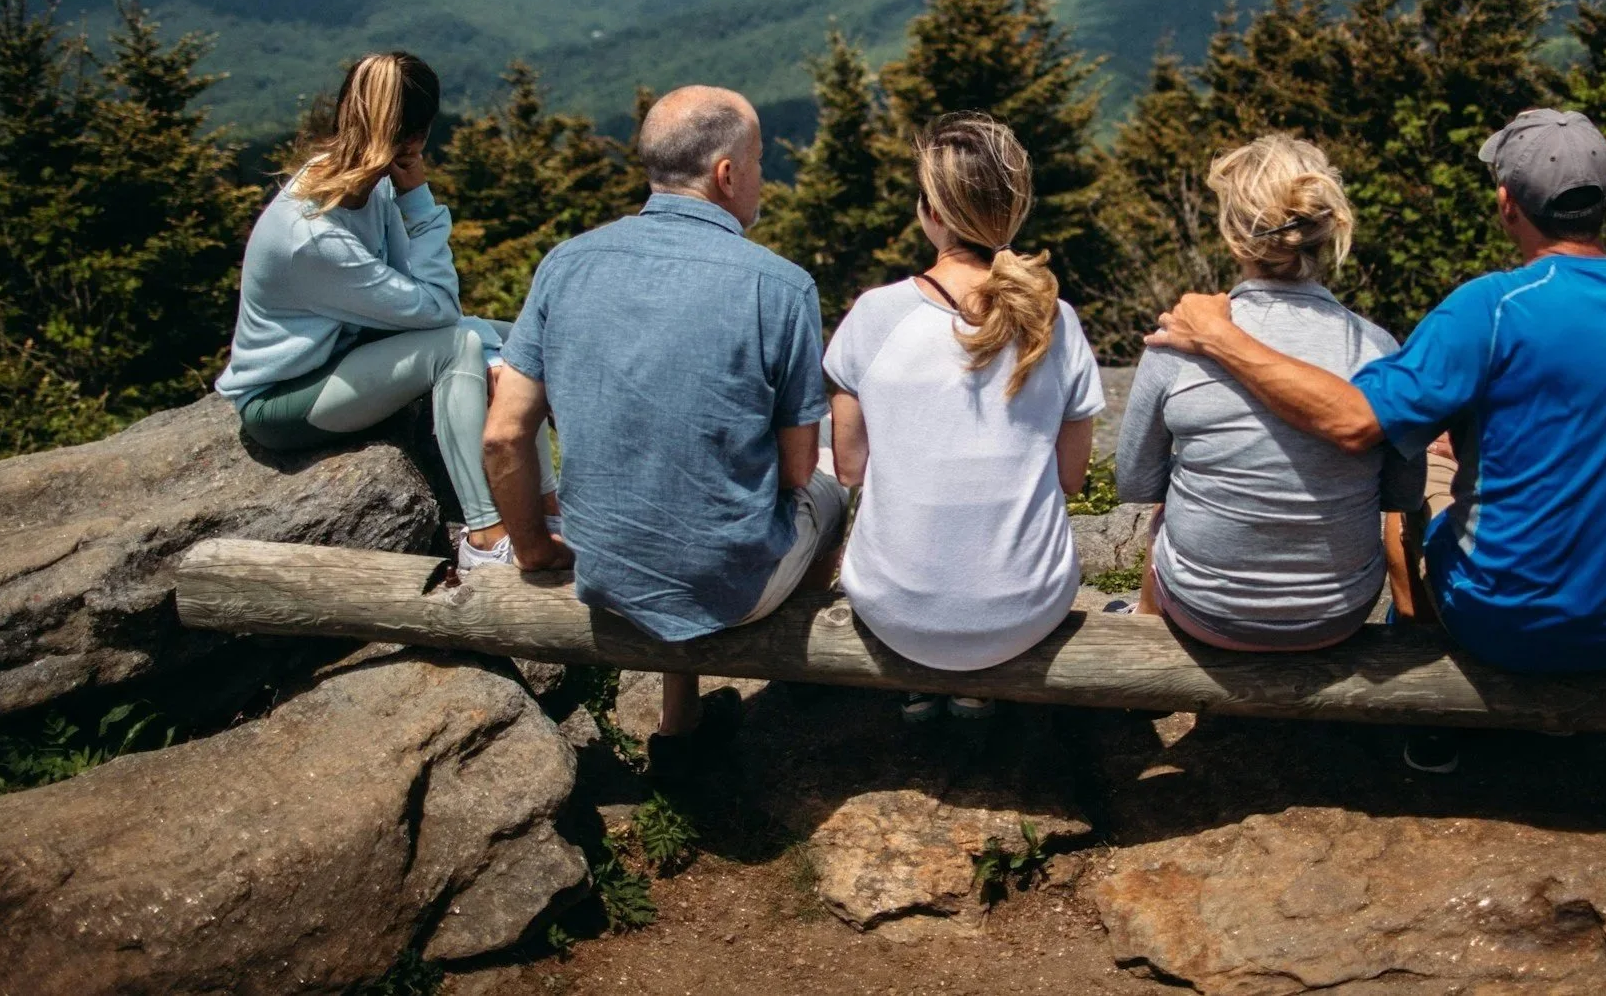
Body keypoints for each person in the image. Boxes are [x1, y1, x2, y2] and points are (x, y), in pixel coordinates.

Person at [1148, 109, 1606, 764]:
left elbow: (1355, 422)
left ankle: (1430, 707)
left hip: (1510, 626)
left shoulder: (1490, 306)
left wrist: (1220, 337)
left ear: (1507, 203)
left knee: (1415, 478)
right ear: (1603, 200)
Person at [481, 85, 843, 769]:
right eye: (759, 162)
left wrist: (531, 548)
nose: (762, 177)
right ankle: (803, 676)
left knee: (666, 472)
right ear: (727, 174)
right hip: (733, 589)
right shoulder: (781, 286)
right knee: (831, 490)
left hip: (604, 571)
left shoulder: (566, 263)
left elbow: (503, 434)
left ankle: (680, 718)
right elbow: (797, 471)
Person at [217, 52, 557, 569]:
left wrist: (497, 356)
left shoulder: (364, 186)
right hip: (282, 398)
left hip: (343, 356)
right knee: (458, 348)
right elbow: (439, 309)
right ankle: (485, 538)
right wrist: (419, 200)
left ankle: (548, 510)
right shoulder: (314, 235)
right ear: (416, 137)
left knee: (519, 340)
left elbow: (421, 298)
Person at [824, 112, 1105, 721]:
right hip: (1027, 610)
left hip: (896, 611)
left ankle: (921, 683)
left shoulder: (874, 316)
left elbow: (849, 469)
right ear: (1014, 212)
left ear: (930, 211)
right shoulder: (1056, 320)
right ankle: (977, 690)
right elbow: (1070, 478)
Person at [1115, 134, 1420, 651]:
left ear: (1234, 239)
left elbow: (1136, 481)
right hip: (1339, 613)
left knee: (1166, 512)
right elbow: (1401, 493)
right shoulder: (1379, 348)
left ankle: (1143, 625)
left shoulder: (1178, 341)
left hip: (1206, 612)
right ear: (1324, 231)